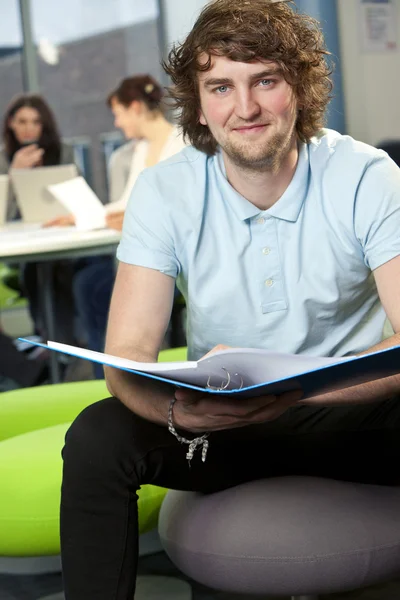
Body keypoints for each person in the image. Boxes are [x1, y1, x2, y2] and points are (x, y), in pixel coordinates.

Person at [60, 1, 400, 599]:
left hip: (350, 414)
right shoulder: (165, 191)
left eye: (265, 80)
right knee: (96, 436)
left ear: (299, 85)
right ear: (198, 101)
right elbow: (128, 355)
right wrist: (178, 414)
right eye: (221, 86)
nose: (244, 108)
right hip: (220, 426)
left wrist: (303, 390)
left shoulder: (367, 176)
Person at [71, 75, 187, 375]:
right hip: (138, 250)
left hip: (171, 258)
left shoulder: (182, 143)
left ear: (135, 107)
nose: (118, 123)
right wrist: (80, 215)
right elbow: (125, 204)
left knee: (96, 287)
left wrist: (136, 218)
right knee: (86, 284)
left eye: (118, 114)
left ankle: (128, 372)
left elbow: (181, 207)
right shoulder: (139, 150)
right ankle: (106, 372)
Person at [0, 94, 78, 345]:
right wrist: (15, 174)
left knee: (63, 270)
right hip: (23, 245)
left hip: (61, 238)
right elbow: (4, 214)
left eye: (35, 122)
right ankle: (51, 341)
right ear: (11, 123)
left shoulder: (62, 152)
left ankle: (69, 343)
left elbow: (76, 197)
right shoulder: (3, 159)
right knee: (35, 271)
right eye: (21, 121)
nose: (28, 129)